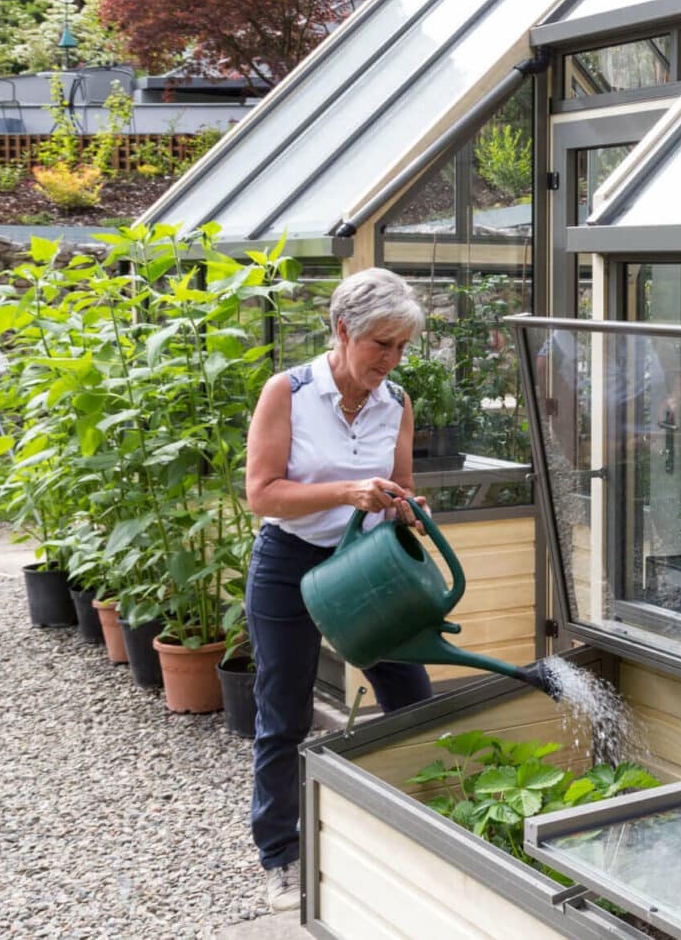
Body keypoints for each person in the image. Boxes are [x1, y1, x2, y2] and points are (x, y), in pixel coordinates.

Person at [242, 268, 436, 912]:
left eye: (402, 347)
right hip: (290, 562)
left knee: (410, 696)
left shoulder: (397, 400)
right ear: (343, 329)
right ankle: (280, 855)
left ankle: (416, 829)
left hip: (366, 566)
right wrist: (347, 491)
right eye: (382, 344)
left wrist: (406, 507)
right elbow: (262, 494)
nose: (392, 359)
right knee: (284, 710)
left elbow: (399, 485)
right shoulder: (289, 392)